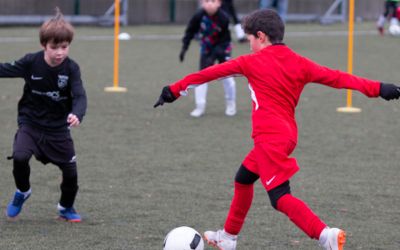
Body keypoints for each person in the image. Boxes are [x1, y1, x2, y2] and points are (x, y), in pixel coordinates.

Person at [154, 9, 400, 250]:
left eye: (249, 39)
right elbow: (338, 78)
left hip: (269, 139)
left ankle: (326, 235)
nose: (248, 44)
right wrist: (380, 88)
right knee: (243, 179)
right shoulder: (300, 62)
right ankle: (228, 237)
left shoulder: (249, 62)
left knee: (280, 197)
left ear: (261, 37)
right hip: (286, 136)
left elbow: (208, 73)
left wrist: (173, 90)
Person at [1, 8, 87, 222]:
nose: (60, 53)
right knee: (20, 156)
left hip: (58, 127)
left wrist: (77, 113)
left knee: (70, 173)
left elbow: (79, 95)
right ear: (44, 45)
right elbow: (4, 69)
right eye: (54, 47)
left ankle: (65, 208)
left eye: (64, 47)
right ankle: (22, 191)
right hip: (30, 123)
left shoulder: (72, 68)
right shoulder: (31, 62)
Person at [180, 0, 237, 117]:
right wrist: (184, 48)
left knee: (226, 77)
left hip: (223, 47)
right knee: (201, 77)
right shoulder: (198, 16)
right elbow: (190, 31)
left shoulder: (224, 18)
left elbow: (225, 39)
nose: (210, 4)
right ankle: (199, 106)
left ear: (219, 3)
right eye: (206, 1)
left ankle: (231, 104)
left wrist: (214, 56)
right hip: (207, 47)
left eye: (213, 1)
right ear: (202, 3)